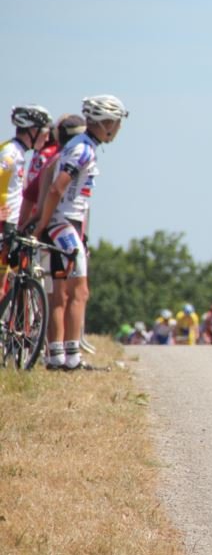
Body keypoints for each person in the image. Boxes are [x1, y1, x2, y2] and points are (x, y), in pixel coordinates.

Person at [35, 95, 127, 370]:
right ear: (105, 123)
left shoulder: (78, 145)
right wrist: (42, 225)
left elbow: (49, 177)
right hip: (64, 223)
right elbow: (56, 188)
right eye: (117, 123)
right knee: (79, 292)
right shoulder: (83, 149)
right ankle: (71, 357)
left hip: (62, 223)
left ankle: (57, 355)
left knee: (61, 293)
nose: (118, 129)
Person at [1, 105, 52, 241]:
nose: (47, 139)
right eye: (45, 133)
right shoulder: (10, 153)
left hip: (9, 227)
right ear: (33, 130)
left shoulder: (18, 152)